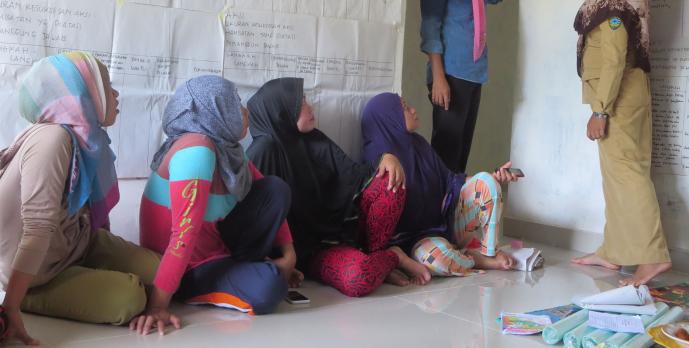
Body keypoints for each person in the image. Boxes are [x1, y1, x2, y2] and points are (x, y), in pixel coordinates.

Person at [0, 52, 160, 345]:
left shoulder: (88, 140)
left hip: (76, 243)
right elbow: (37, 227)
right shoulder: (52, 139)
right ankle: (25, 299)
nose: (115, 94)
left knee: (161, 274)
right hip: (39, 272)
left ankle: (85, 278)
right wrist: (8, 307)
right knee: (130, 299)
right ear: (80, 93)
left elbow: (88, 210)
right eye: (105, 86)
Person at [550, 0, 671, 285]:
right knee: (619, 175)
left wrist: (600, 111)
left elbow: (615, 58)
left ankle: (651, 256)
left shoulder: (614, 5)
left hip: (618, 96)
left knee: (627, 175)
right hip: (632, 92)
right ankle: (615, 251)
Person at [132, 75, 294, 335]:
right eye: (234, 104)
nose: (244, 112)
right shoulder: (195, 150)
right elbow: (183, 235)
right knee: (269, 288)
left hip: (215, 248)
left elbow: (268, 192)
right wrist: (157, 306)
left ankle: (257, 269)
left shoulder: (228, 150)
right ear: (214, 112)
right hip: (185, 267)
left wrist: (289, 255)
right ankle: (236, 278)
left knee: (275, 189)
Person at [246, 77, 430, 297]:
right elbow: (256, 220)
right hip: (300, 254)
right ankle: (393, 258)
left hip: (334, 240)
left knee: (390, 181)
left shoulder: (314, 140)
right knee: (358, 277)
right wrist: (283, 261)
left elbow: (354, 174)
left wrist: (385, 158)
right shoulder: (265, 150)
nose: (310, 107)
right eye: (301, 101)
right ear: (282, 111)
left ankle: (376, 255)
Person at [418, 0, 538, 173]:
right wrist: (438, 77)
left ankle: (454, 214)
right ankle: (437, 213)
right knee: (446, 154)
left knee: (461, 154)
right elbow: (430, 27)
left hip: (473, 75)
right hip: (450, 75)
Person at [361, 92, 520, 276]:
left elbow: (450, 180)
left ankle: (489, 252)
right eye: (404, 107)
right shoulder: (378, 160)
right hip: (415, 242)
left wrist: (491, 180)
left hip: (446, 223)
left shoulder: (418, 144)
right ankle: (475, 259)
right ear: (390, 118)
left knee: (487, 182)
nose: (413, 110)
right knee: (436, 259)